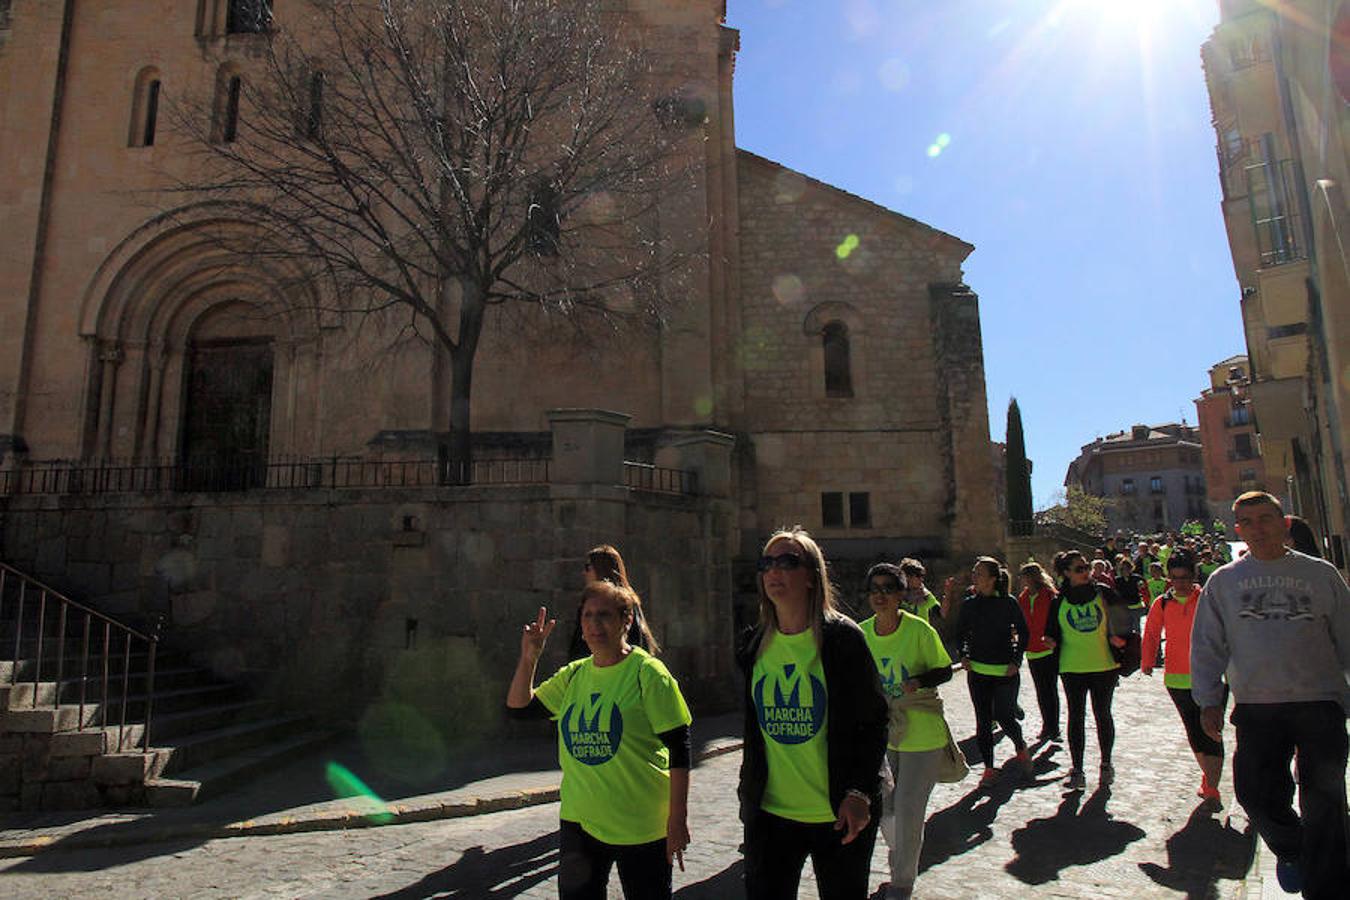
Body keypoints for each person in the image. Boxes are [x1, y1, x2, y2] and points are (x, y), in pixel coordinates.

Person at [1192, 491, 1350, 898]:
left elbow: (1347, 636)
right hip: (1257, 705)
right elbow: (1208, 644)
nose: (1258, 528)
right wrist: (1209, 699)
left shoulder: (1321, 574)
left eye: (1266, 519)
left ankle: (1327, 886)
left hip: (1320, 702)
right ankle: (1292, 847)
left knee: (1326, 800)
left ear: (1284, 524)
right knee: (1254, 793)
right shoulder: (1223, 581)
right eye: (1248, 521)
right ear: (1238, 530)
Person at [507, 580, 692, 899]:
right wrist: (529, 658)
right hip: (580, 821)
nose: (595, 624)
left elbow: (680, 747)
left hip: (640, 823)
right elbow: (519, 708)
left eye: (604, 615)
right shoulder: (575, 674)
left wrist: (677, 819)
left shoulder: (648, 673)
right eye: (588, 616)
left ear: (626, 620)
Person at [738, 527, 888, 900]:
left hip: (838, 811)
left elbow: (874, 721)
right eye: (767, 563)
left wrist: (860, 792)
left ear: (811, 575)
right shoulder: (753, 643)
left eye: (788, 561)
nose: (775, 571)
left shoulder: (843, 639)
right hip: (771, 813)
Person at [859, 564, 953, 900]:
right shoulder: (861, 633)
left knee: (909, 808)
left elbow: (944, 670)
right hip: (882, 734)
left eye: (887, 588)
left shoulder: (919, 631)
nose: (879, 595)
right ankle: (901, 857)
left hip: (921, 733)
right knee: (885, 809)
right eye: (874, 589)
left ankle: (902, 883)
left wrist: (919, 682)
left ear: (901, 595)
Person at [1141, 552, 1225, 802]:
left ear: (1194, 575)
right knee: (1194, 731)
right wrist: (1147, 661)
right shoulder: (1162, 603)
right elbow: (1152, 633)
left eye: (1185, 577)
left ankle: (1212, 786)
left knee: (1211, 730)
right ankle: (1209, 777)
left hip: (1211, 676)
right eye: (1175, 578)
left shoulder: (1208, 599)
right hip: (1176, 678)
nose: (1180, 583)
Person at [1043, 549, 1123, 790]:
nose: (1086, 572)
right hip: (1072, 667)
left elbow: (1123, 619)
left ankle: (1106, 764)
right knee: (1076, 718)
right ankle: (1077, 769)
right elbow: (1050, 631)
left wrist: (1120, 637)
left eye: (1087, 566)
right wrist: (1050, 641)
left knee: (1103, 715)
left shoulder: (1103, 593)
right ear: (1067, 573)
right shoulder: (1059, 601)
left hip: (1104, 666)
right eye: (1079, 569)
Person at [950, 557, 1031, 785]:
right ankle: (989, 768)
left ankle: (1021, 747)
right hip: (978, 671)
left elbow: (1023, 633)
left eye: (979, 573)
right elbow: (961, 633)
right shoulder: (969, 604)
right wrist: (963, 655)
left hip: (1005, 671)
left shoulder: (1009, 603)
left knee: (1005, 716)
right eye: (974, 573)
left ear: (993, 579)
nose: (974, 577)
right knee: (983, 720)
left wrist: (1016, 660)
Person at [567, 545, 654, 661]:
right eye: (588, 615)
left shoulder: (622, 602)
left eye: (588, 567)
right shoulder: (628, 600)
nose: (584, 573)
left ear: (601, 568)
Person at [1018, 561, 1061, 742]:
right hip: (1032, 650)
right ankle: (1047, 725)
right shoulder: (1023, 598)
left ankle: (1054, 727)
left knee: (1050, 690)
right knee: (1041, 691)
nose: (1023, 580)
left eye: (1025, 576)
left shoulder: (1050, 595)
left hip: (1048, 650)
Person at [897, 557, 944, 633]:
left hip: (921, 636)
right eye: (918, 576)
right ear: (907, 577)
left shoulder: (924, 594)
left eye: (922, 576)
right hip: (903, 636)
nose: (921, 579)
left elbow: (940, 613)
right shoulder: (896, 595)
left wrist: (948, 595)